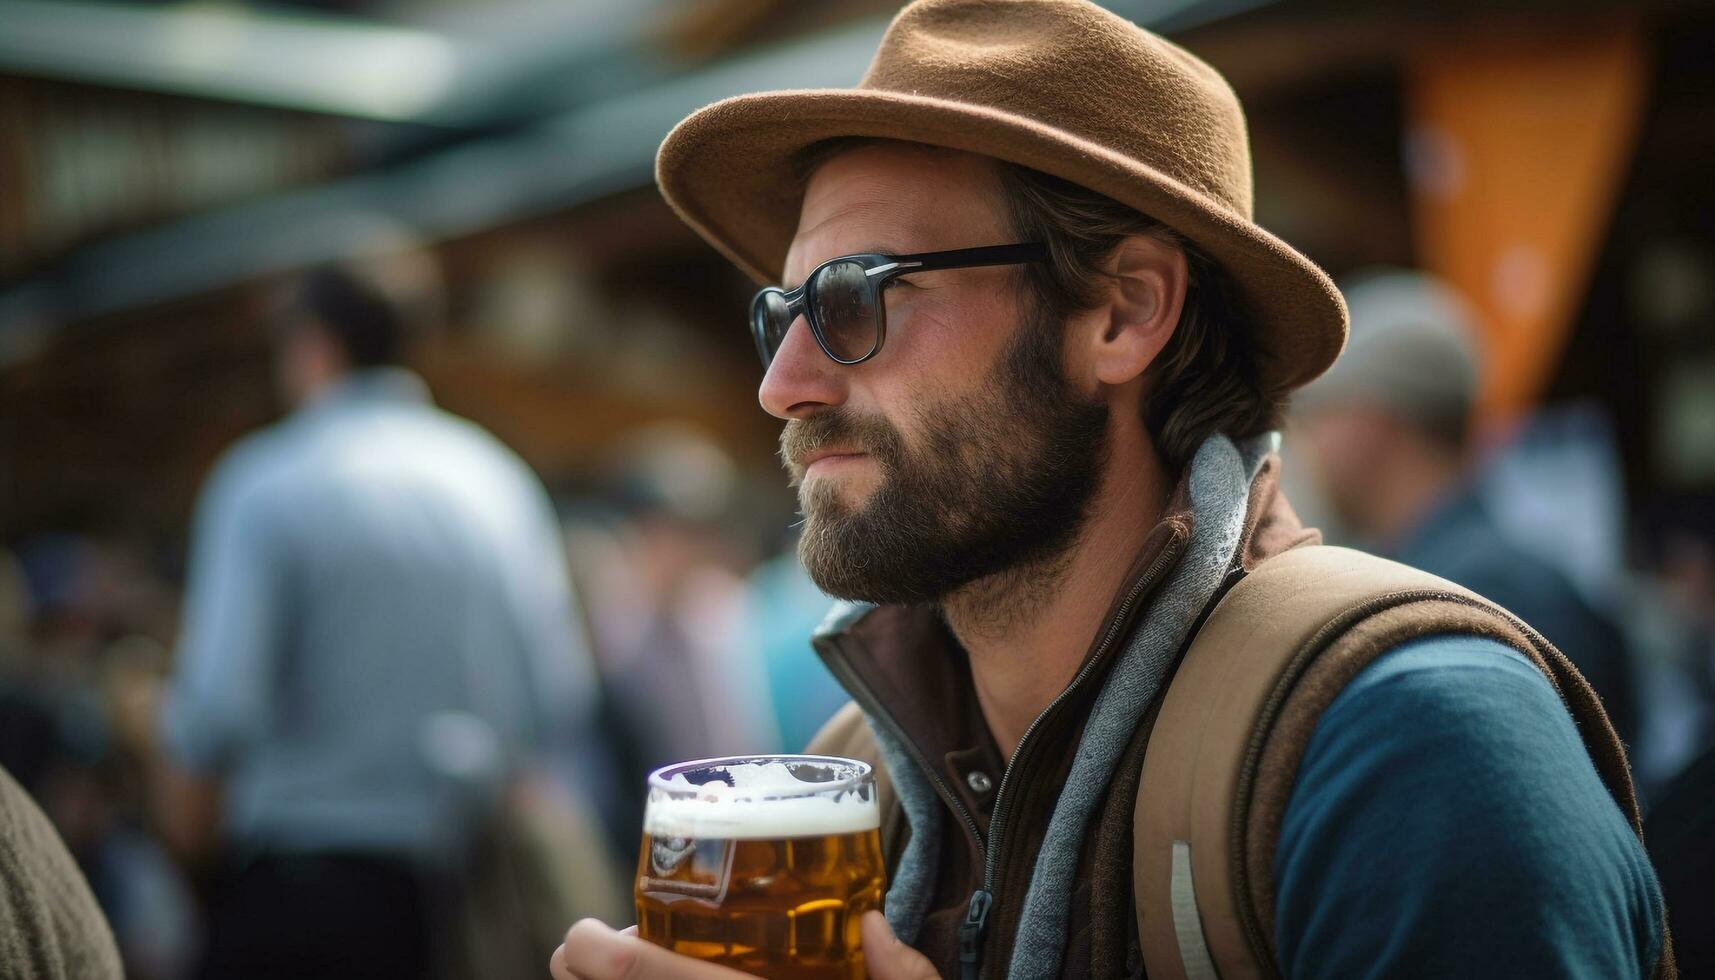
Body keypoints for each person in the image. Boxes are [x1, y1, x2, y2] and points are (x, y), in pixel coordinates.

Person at [552, 1, 1670, 977]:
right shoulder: (861, 776)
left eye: (851, 297)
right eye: (782, 312)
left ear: (1122, 312)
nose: (780, 385)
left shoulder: (1408, 742)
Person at [158, 245, 598, 979]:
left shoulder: (266, 484)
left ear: (311, 346)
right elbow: (555, 695)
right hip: (465, 896)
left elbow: (219, 710)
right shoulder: (494, 478)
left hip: (305, 894)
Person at [1293, 269, 1642, 746]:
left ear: (1370, 419)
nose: (1305, 442)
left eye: (1316, 413)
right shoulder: (1483, 578)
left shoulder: (1458, 598)